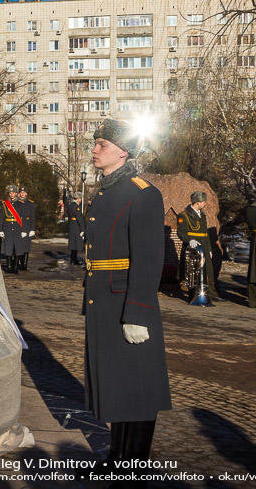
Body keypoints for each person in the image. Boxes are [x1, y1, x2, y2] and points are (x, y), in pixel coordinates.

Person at [83, 119, 170, 468]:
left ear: (123, 150)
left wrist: (136, 312)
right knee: (118, 384)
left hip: (126, 301)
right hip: (103, 298)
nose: (94, 149)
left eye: (101, 144)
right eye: (95, 143)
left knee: (137, 387)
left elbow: (149, 259)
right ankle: (117, 457)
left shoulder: (141, 192)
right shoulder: (107, 189)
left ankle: (133, 465)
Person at [175, 191, 219, 301]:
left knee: (208, 271)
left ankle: (211, 295)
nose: (205, 204)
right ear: (197, 203)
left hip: (204, 246)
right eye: (203, 202)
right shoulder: (183, 215)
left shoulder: (202, 215)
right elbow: (181, 233)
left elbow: (205, 233)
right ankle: (193, 295)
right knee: (192, 272)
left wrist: (209, 249)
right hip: (192, 248)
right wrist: (190, 240)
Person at [0, 185, 23, 274]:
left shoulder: (20, 204)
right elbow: (1, 217)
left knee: (17, 248)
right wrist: (0, 229)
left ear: (16, 193)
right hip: (7, 227)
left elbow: (22, 218)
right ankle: (9, 267)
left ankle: (15, 267)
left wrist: (23, 230)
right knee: (8, 248)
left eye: (13, 193)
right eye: (10, 193)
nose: (11, 194)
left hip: (17, 228)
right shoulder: (5, 204)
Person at [15, 186, 36, 271]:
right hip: (18, 227)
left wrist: (32, 229)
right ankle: (18, 263)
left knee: (26, 247)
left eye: (24, 192)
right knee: (18, 246)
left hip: (27, 227)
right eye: (21, 192)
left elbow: (33, 217)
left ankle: (24, 264)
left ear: (26, 193)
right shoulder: (16, 203)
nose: (22, 194)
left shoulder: (30, 204)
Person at [63, 190, 84, 266]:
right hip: (76, 226)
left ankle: (73, 259)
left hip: (71, 226)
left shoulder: (70, 205)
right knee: (76, 244)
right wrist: (82, 229)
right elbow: (80, 219)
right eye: (80, 198)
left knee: (73, 244)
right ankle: (74, 260)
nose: (81, 200)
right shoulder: (76, 207)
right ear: (78, 198)